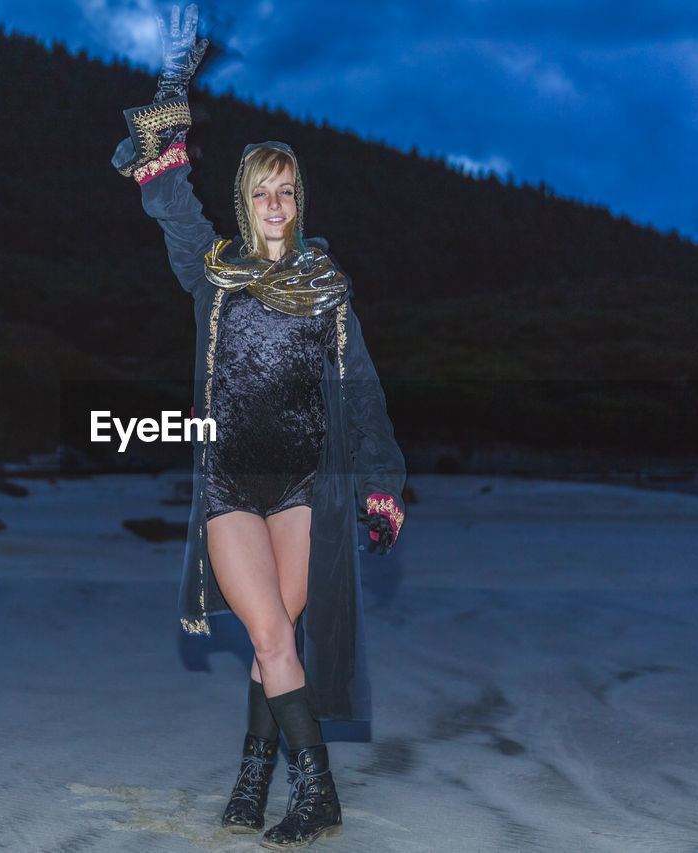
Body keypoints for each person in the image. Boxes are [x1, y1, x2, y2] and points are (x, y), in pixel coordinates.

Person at [111, 6, 406, 849]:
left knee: (275, 637)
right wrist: (174, 86)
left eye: (286, 191)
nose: (274, 204)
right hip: (233, 484)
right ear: (243, 201)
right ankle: (319, 792)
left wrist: (382, 485)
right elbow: (164, 192)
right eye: (260, 192)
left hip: (306, 486)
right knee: (272, 632)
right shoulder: (213, 272)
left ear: (296, 199)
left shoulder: (328, 286)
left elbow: (364, 392)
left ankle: (253, 768)